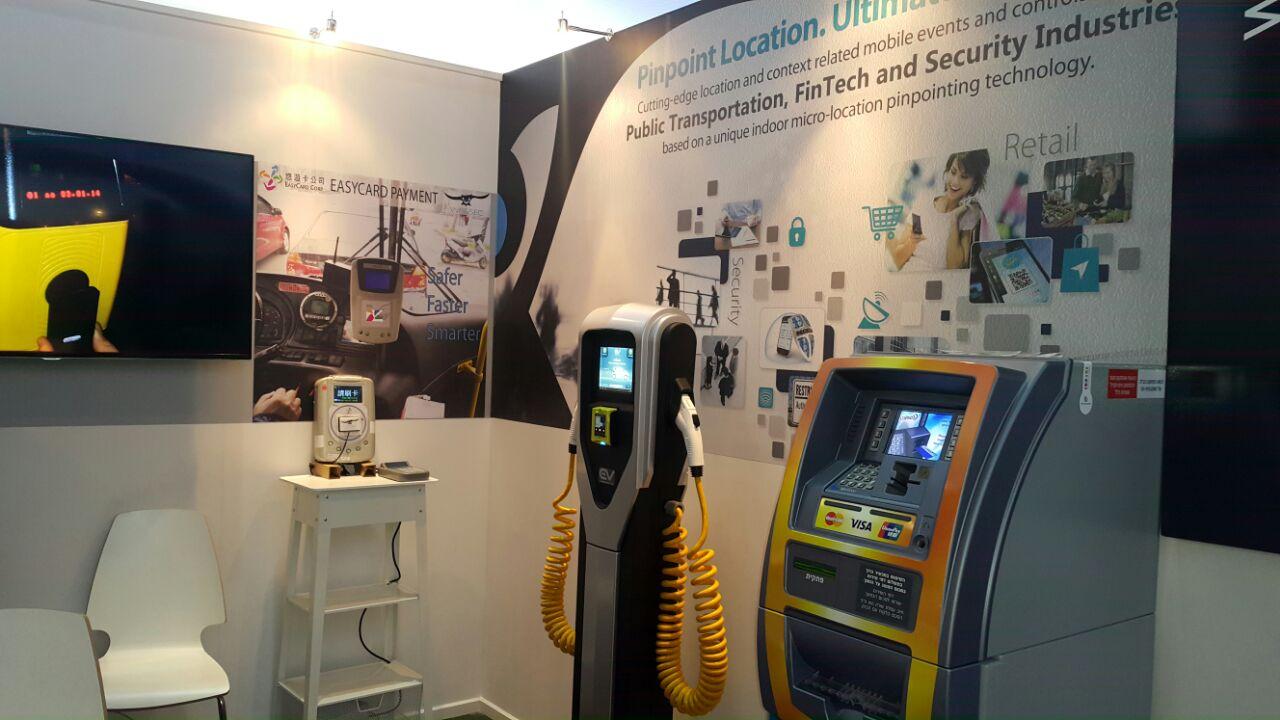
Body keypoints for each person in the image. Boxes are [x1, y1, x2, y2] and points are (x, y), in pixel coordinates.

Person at [888, 150, 995, 271]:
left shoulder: (969, 215)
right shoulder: (924, 202)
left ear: (974, 182)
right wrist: (912, 242)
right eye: (953, 172)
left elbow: (954, 267)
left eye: (964, 177)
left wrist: (954, 219)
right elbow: (899, 260)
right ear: (947, 171)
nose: (955, 182)